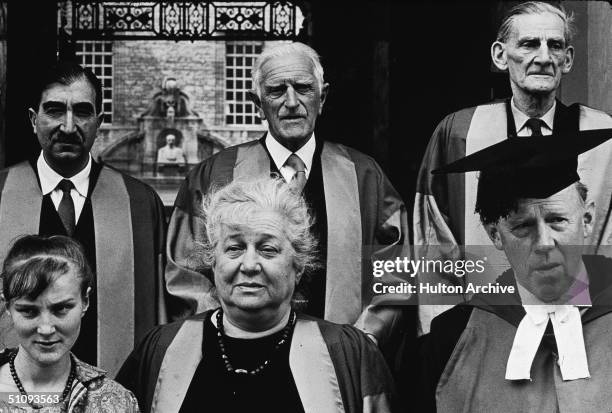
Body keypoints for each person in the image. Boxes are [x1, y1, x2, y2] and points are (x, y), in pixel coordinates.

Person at [166, 42, 409, 346]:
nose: (291, 102)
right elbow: (185, 275)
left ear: (323, 98)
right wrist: (227, 339)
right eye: (277, 90)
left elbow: (397, 271)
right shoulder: (214, 175)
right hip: (237, 358)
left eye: (303, 88)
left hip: (338, 361)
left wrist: (358, 345)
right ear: (257, 103)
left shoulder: (365, 177)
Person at [414, 1, 612, 334]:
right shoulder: (459, 133)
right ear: (500, 55)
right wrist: (448, 336)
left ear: (569, 60)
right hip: (482, 327)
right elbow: (431, 245)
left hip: (584, 328)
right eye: (530, 44)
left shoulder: (604, 139)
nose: (544, 57)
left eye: (556, 46)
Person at [117, 177, 396, 412]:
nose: (249, 265)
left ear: (299, 265)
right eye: (234, 248)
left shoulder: (349, 353)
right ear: (213, 261)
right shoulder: (160, 349)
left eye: (268, 249)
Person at [418, 128, 612, 412]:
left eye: (557, 220)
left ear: (586, 219)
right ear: (495, 234)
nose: (544, 243)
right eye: (523, 226)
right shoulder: (449, 341)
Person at [0, 61, 167, 375]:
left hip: (116, 391)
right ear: (34, 120)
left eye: (82, 111)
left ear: (99, 121)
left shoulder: (141, 206)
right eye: (54, 110)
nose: (67, 126)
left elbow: (161, 315)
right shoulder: (1, 195)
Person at [0, 235, 139, 412]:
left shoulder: (117, 403)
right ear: (7, 306)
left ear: (85, 301)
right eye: (29, 311)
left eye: (61, 309)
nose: (46, 328)